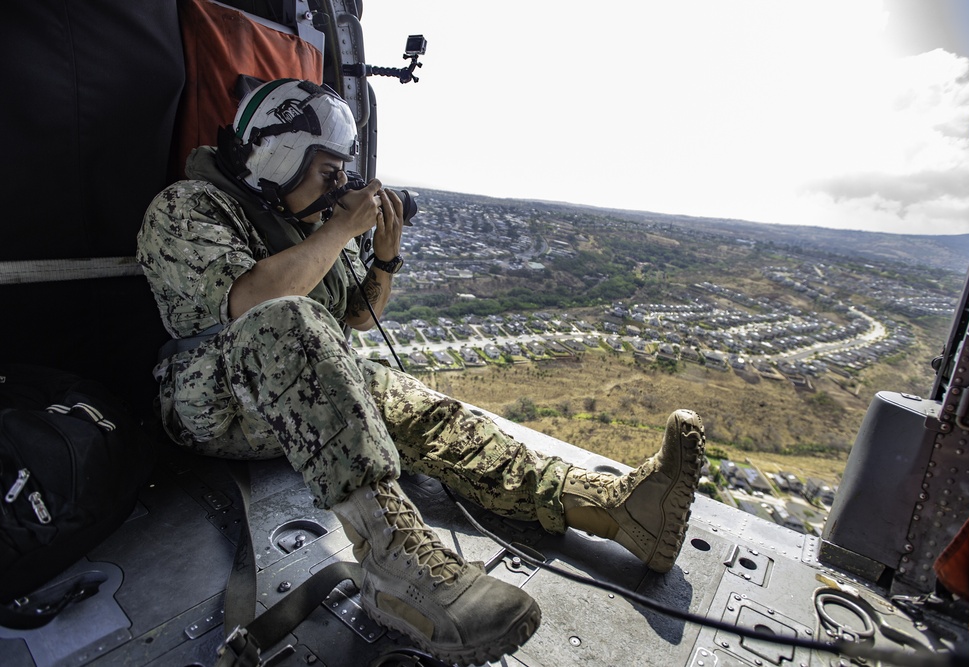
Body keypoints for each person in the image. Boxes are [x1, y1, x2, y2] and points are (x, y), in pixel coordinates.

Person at [137, 78, 706, 666]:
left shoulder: (306, 222)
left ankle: (615, 507)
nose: (339, 189)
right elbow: (254, 306)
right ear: (279, 158)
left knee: (430, 415)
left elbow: (360, 317)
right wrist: (339, 230)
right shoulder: (187, 208)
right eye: (328, 174)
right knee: (288, 318)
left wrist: (383, 253)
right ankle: (394, 565)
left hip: (302, 388)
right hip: (214, 399)